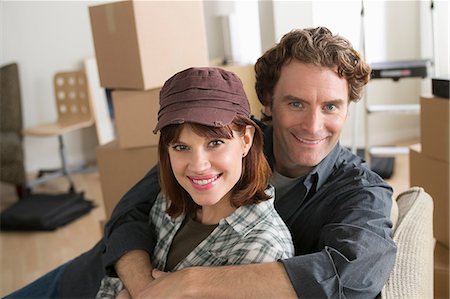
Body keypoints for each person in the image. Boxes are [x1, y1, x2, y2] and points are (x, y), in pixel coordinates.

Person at [4, 26, 396, 299]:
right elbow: (128, 213)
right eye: (295, 103)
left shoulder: (360, 192)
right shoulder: (221, 137)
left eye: (331, 106)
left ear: (348, 109)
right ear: (268, 105)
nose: (313, 124)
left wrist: (188, 284)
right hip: (89, 277)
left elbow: (355, 274)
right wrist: (145, 290)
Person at [94, 67, 294, 298]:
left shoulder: (261, 250)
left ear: (246, 140)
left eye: (215, 143)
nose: (198, 166)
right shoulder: (169, 202)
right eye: (181, 147)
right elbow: (111, 284)